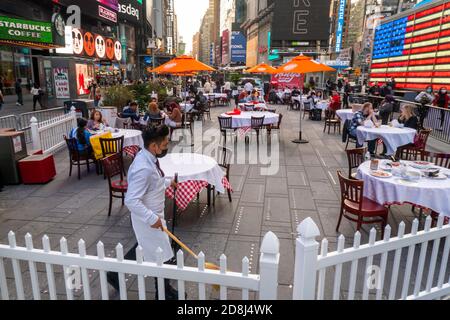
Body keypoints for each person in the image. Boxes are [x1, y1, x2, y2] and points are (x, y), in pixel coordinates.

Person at [106, 125, 180, 299]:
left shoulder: (148, 157)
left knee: (144, 247)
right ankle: (163, 293)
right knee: (162, 255)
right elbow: (131, 200)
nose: (166, 146)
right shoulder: (143, 167)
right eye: (164, 143)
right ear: (153, 146)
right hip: (148, 218)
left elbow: (155, 181)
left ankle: (114, 273)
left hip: (153, 216)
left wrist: (169, 183)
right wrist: (151, 218)